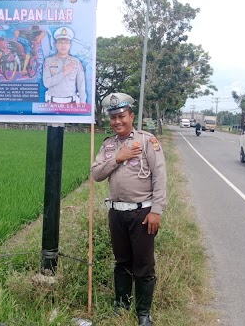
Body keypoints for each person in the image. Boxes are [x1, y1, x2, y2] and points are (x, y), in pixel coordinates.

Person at [91, 93, 167, 326]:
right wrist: (118, 158)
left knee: (143, 263)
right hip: (116, 213)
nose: (117, 121)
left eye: (122, 116)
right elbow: (96, 174)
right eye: (113, 117)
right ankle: (121, 304)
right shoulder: (108, 145)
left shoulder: (147, 141)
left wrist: (156, 211)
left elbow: (160, 177)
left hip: (142, 213)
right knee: (122, 261)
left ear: (131, 116)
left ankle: (143, 312)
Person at [42, 26, 86, 104]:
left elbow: (81, 85)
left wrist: (83, 103)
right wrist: (63, 73)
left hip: (71, 104)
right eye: (60, 42)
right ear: (56, 45)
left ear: (70, 45)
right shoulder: (48, 61)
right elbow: (46, 83)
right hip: (52, 104)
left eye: (66, 43)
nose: (63, 46)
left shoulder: (76, 62)